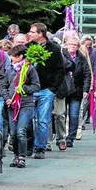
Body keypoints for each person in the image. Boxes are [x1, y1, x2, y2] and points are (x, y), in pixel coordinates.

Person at [25, 24, 66, 158]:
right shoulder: (28, 47)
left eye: (32, 32)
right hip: (29, 89)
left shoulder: (54, 49)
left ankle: (40, 147)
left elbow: (60, 69)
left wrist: (52, 88)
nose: (29, 34)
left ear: (41, 33)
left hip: (45, 89)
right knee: (28, 120)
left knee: (42, 120)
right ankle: (29, 144)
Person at [2, 43, 40, 168]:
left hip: (26, 104)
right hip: (12, 105)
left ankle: (22, 157)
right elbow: (4, 86)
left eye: (13, 56)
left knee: (20, 131)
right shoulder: (9, 69)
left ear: (20, 56)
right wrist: (7, 98)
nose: (11, 59)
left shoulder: (29, 69)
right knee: (13, 133)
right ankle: (16, 156)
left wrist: (23, 88)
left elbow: (36, 86)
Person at [61, 33, 91, 148]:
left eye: (75, 45)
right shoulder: (61, 56)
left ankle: (71, 137)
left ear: (78, 46)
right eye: (70, 44)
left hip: (76, 90)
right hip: (63, 89)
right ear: (66, 45)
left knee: (74, 115)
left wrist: (85, 89)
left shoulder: (81, 58)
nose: (72, 47)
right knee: (61, 114)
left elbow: (87, 74)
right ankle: (61, 135)